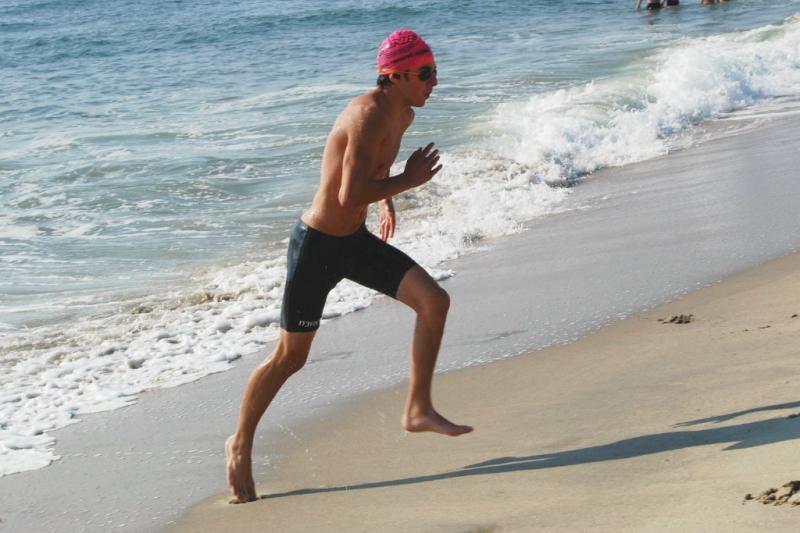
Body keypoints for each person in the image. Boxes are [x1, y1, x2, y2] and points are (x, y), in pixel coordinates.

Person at [225, 29, 473, 504]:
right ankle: (240, 442)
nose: (434, 82)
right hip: (317, 246)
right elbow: (346, 194)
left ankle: (418, 408)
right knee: (290, 358)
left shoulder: (403, 112)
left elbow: (364, 180)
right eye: (425, 73)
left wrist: (386, 198)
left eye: (435, 72)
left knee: (434, 301)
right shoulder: (366, 114)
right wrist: (406, 182)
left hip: (353, 242)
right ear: (395, 75)